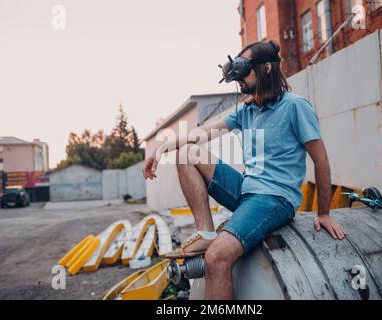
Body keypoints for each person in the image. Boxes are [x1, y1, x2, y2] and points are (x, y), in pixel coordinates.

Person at [142, 40, 345, 299]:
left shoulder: (295, 106)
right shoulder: (246, 110)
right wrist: (162, 148)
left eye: (244, 73)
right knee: (187, 153)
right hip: (247, 190)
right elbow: (200, 134)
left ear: (267, 68)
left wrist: (324, 213)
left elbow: (321, 160)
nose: (239, 82)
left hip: (273, 199)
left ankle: (213, 247)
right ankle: (205, 231)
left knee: (216, 258)